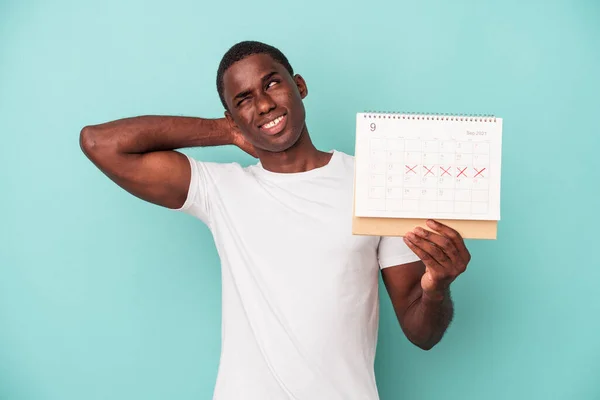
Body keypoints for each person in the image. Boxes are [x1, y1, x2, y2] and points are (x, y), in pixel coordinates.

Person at [79, 40, 471, 400]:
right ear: (232, 114)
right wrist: (225, 130)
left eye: (271, 84)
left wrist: (437, 286)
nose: (264, 105)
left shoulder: (373, 185)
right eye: (244, 99)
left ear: (298, 85)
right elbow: (100, 143)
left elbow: (422, 334)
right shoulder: (221, 189)